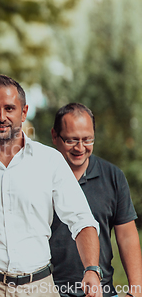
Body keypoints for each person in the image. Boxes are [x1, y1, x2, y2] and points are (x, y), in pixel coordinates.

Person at [0, 74, 103, 297]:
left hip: (38, 287)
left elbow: (82, 220)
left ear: (23, 112)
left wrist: (91, 269)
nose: (2, 116)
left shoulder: (50, 161)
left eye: (9, 108)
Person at [50, 103, 142, 297]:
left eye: (87, 139)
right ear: (54, 136)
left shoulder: (113, 176)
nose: (80, 148)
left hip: (101, 291)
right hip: (49, 291)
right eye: (72, 140)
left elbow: (127, 236)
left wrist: (136, 291)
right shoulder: (39, 178)